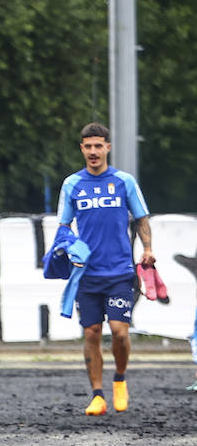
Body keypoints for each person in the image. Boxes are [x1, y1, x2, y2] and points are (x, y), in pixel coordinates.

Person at [56, 122, 153, 415]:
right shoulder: (72, 184)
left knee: (120, 332)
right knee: (92, 333)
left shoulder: (124, 181)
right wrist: (67, 247)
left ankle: (120, 380)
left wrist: (148, 249)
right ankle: (97, 395)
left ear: (108, 147)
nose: (94, 151)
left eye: (99, 146)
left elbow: (142, 219)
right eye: (88, 146)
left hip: (120, 271)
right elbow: (63, 226)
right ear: (82, 149)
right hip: (87, 275)